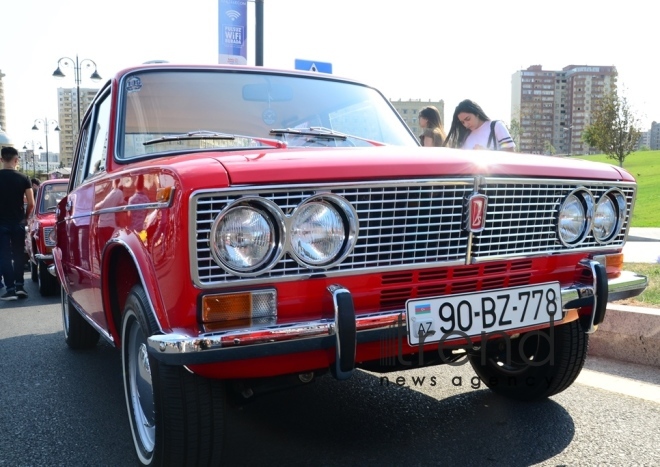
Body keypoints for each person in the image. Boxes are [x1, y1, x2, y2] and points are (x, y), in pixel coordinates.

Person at [0, 146, 34, 300]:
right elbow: (31, 203)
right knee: (19, 254)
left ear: (1, 160)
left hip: (1, 224)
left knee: (4, 256)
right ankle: (20, 286)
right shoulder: (24, 178)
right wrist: (25, 218)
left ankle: (10, 288)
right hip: (18, 222)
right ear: (16, 160)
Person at [443, 99, 515, 152]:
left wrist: (487, 153)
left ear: (476, 113)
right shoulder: (465, 135)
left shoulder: (496, 126)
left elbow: (510, 152)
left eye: (468, 119)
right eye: (462, 122)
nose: (466, 124)